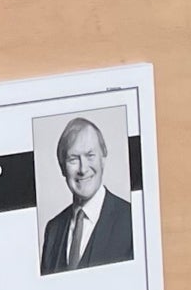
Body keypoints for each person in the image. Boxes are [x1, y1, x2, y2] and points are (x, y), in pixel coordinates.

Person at [39, 116, 134, 273]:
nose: (83, 169)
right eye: (73, 159)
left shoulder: (131, 219)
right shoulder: (53, 229)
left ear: (103, 159)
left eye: (90, 155)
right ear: (62, 168)